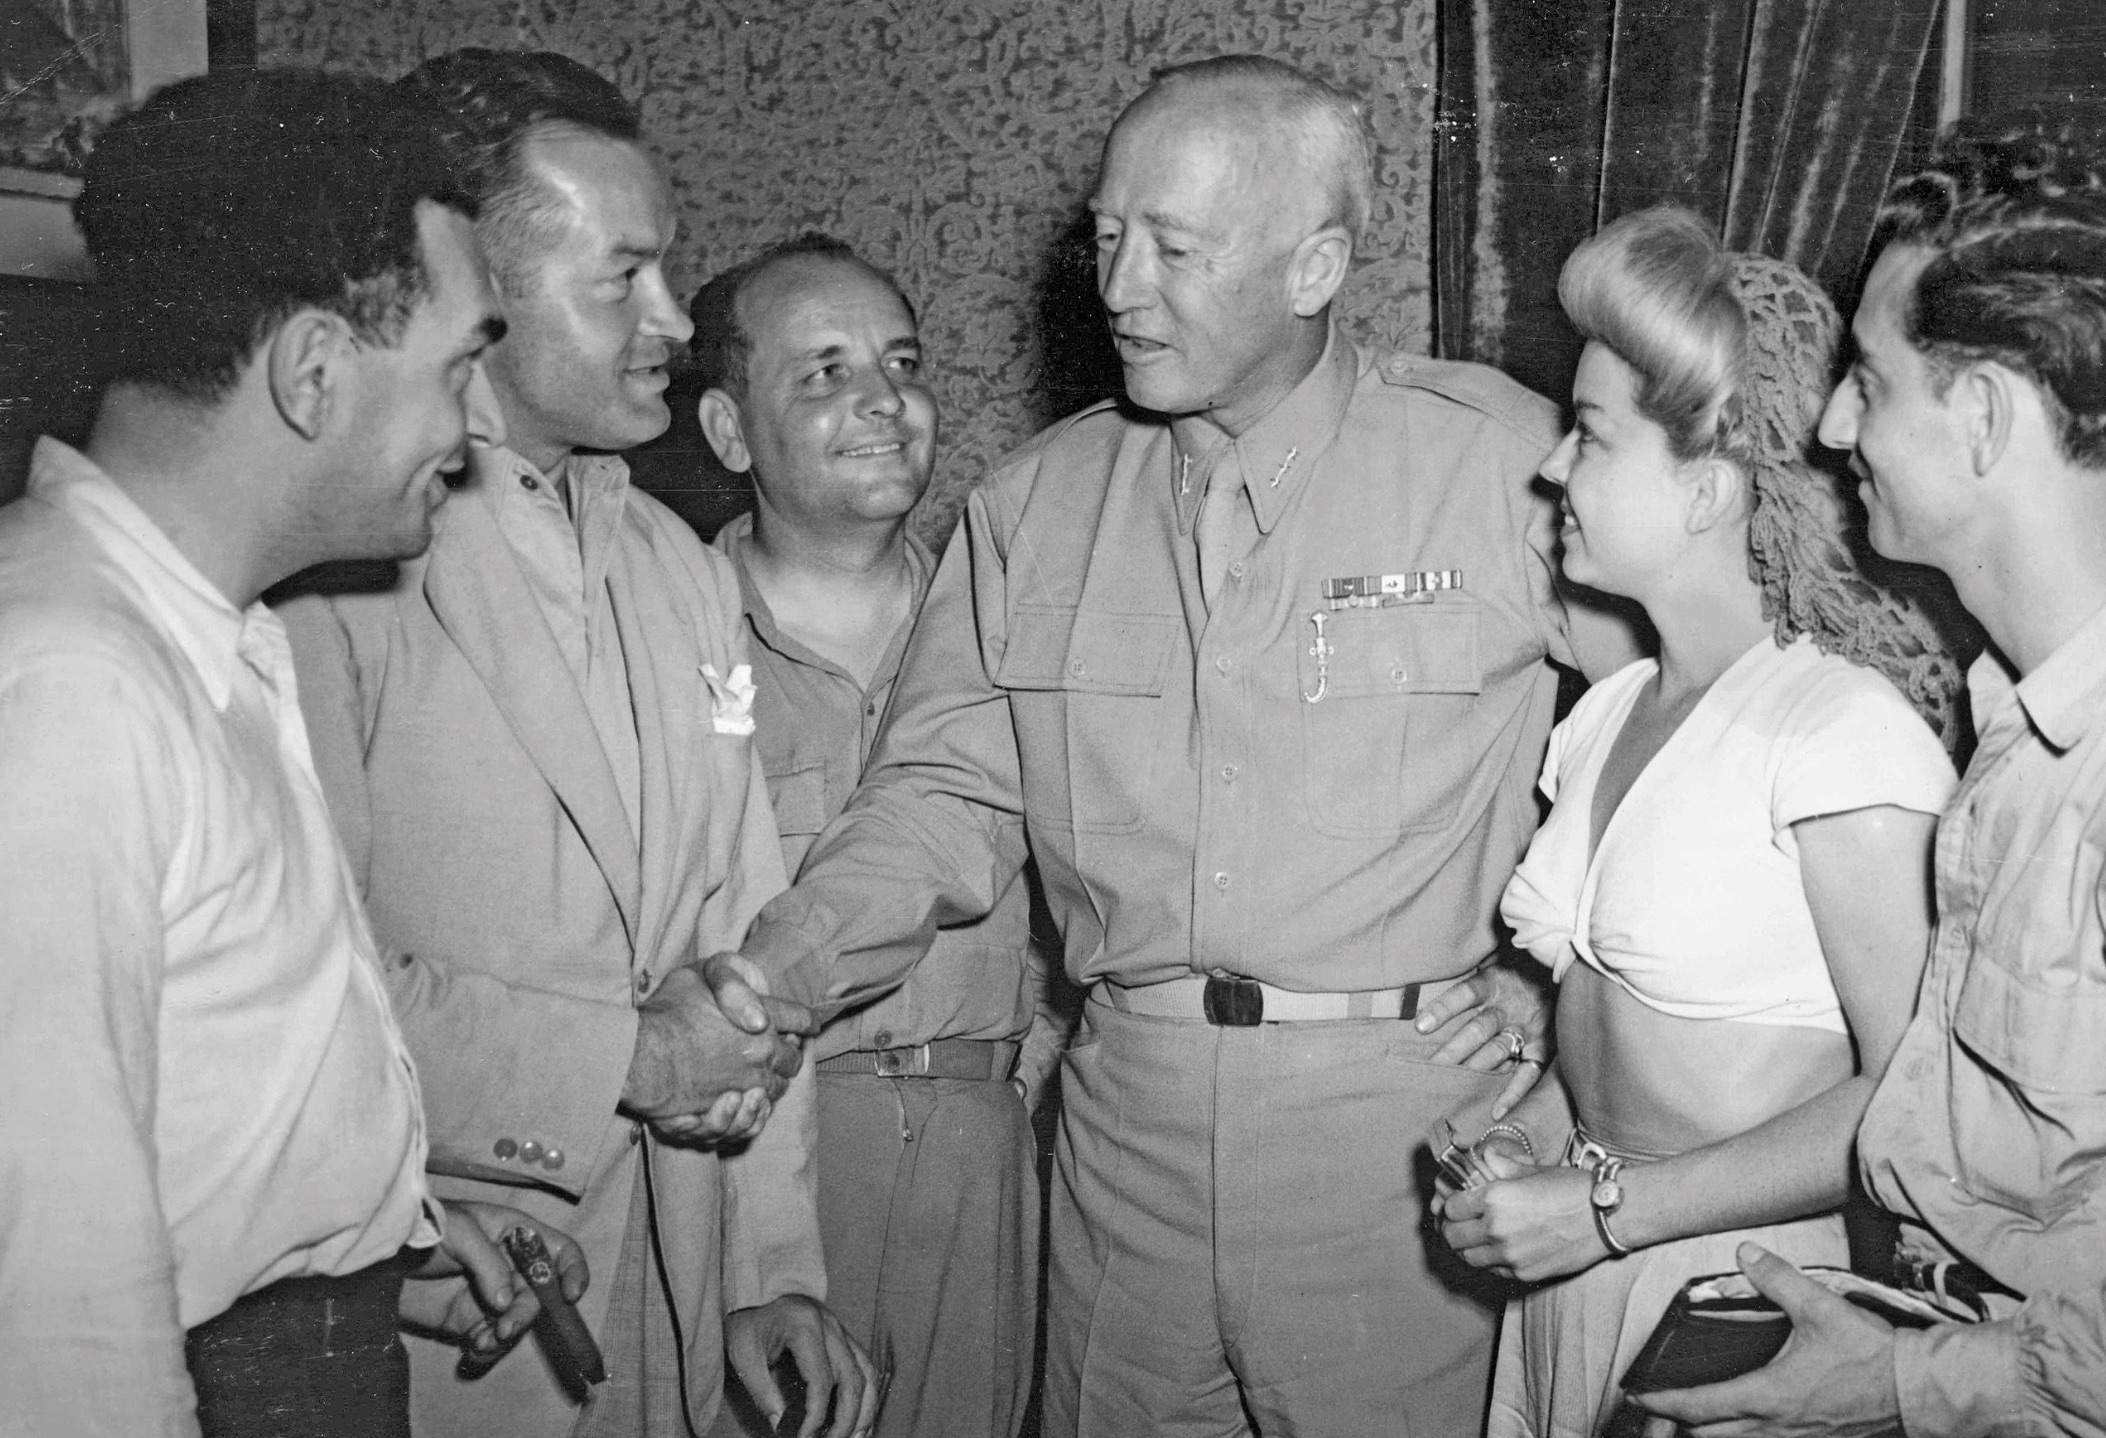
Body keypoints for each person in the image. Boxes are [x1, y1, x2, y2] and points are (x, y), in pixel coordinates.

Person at [734, 54, 1639, 1434]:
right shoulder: (1033, 507)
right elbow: (934, 800)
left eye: (1173, 248)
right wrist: (766, 978)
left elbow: (1667, 724)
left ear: (1313, 264)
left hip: (1399, 1155)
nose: (1116, 288)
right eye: (1105, 237)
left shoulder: (1496, 463)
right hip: (1122, 1152)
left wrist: (1556, 972)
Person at [276, 50, 874, 1438]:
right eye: (625, 277)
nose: (673, 315)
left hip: (665, 1285)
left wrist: (765, 1267)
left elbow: (743, 925)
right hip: (447, 1299)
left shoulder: (673, 559)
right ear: (469, 279)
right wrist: (621, 1060)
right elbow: (304, 991)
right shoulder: (335, 567)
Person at [0, 67, 592, 1437]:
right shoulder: (69, 683)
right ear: (316, 372)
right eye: (457, 366)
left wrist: (369, 1253)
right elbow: (57, 1306)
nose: (470, 428)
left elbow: (189, 1108)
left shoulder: (207, 637)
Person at [1431, 207, 1959, 1437]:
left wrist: (1610, 1209)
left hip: (1740, 1297)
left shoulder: (1838, 734)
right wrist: (1526, 1145)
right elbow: (1618, 1045)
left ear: (1709, 489)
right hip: (1577, 1287)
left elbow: (1913, 1103)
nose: (1553, 468)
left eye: (1591, 436)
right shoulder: (1608, 713)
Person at [1642, 113, 2106, 1438]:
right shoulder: (2011, 726)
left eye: (1868, 376)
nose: (1835, 424)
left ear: (1976, 416)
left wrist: (1902, 1384)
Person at [692, 233, 1070, 1438]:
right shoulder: (663, 642)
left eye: (901, 361)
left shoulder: (1014, 631)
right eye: (823, 370)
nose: (881, 398)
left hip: (978, 1141)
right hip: (758, 1145)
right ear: (728, 432)